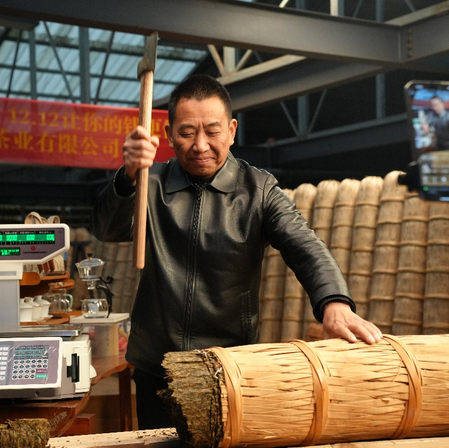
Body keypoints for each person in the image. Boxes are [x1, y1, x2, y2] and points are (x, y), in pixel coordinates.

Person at [91, 74, 382, 429]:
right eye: (186, 133)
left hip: (228, 365)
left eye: (212, 132)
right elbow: (106, 230)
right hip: (157, 365)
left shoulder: (258, 190)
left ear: (231, 130)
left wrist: (333, 303)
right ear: (167, 135)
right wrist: (128, 176)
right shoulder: (150, 183)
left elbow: (304, 244)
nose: (200, 145)